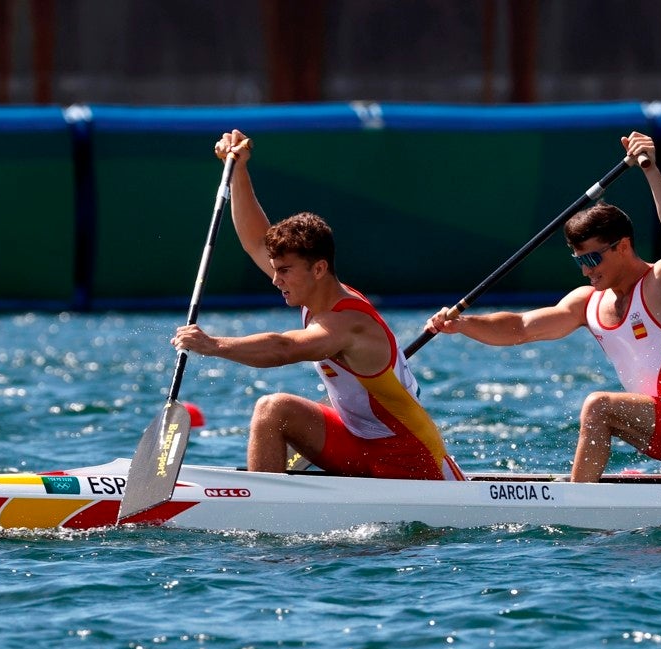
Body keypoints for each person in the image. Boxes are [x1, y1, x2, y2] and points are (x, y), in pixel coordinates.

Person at [425, 131, 661, 485]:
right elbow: (521, 327)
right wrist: (462, 324)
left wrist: (651, 171)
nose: (586, 270)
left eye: (593, 257)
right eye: (579, 260)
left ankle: (576, 501)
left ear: (622, 246)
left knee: (599, 406)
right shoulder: (587, 303)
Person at [171, 129, 464, 481]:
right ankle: (266, 509)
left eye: (285, 271)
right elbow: (253, 241)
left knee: (271, 404)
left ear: (319, 268)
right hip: (362, 444)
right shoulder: (310, 290)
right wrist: (239, 169)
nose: (276, 280)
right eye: (276, 270)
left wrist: (213, 345)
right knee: (273, 412)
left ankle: (262, 509)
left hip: (412, 462)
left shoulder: (348, 322)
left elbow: (284, 349)